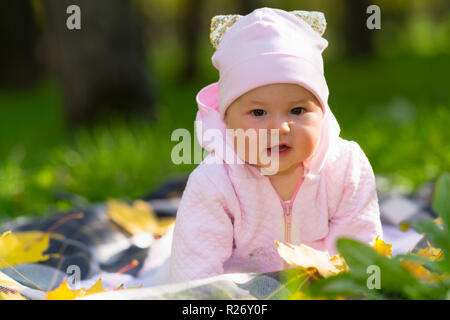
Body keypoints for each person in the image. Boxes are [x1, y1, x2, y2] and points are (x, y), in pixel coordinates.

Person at [169, 7, 382, 284]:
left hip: (322, 286)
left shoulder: (345, 167)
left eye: (297, 111)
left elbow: (361, 248)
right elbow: (194, 274)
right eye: (258, 113)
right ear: (227, 122)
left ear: (322, 112)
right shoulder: (214, 182)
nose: (280, 128)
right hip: (242, 295)